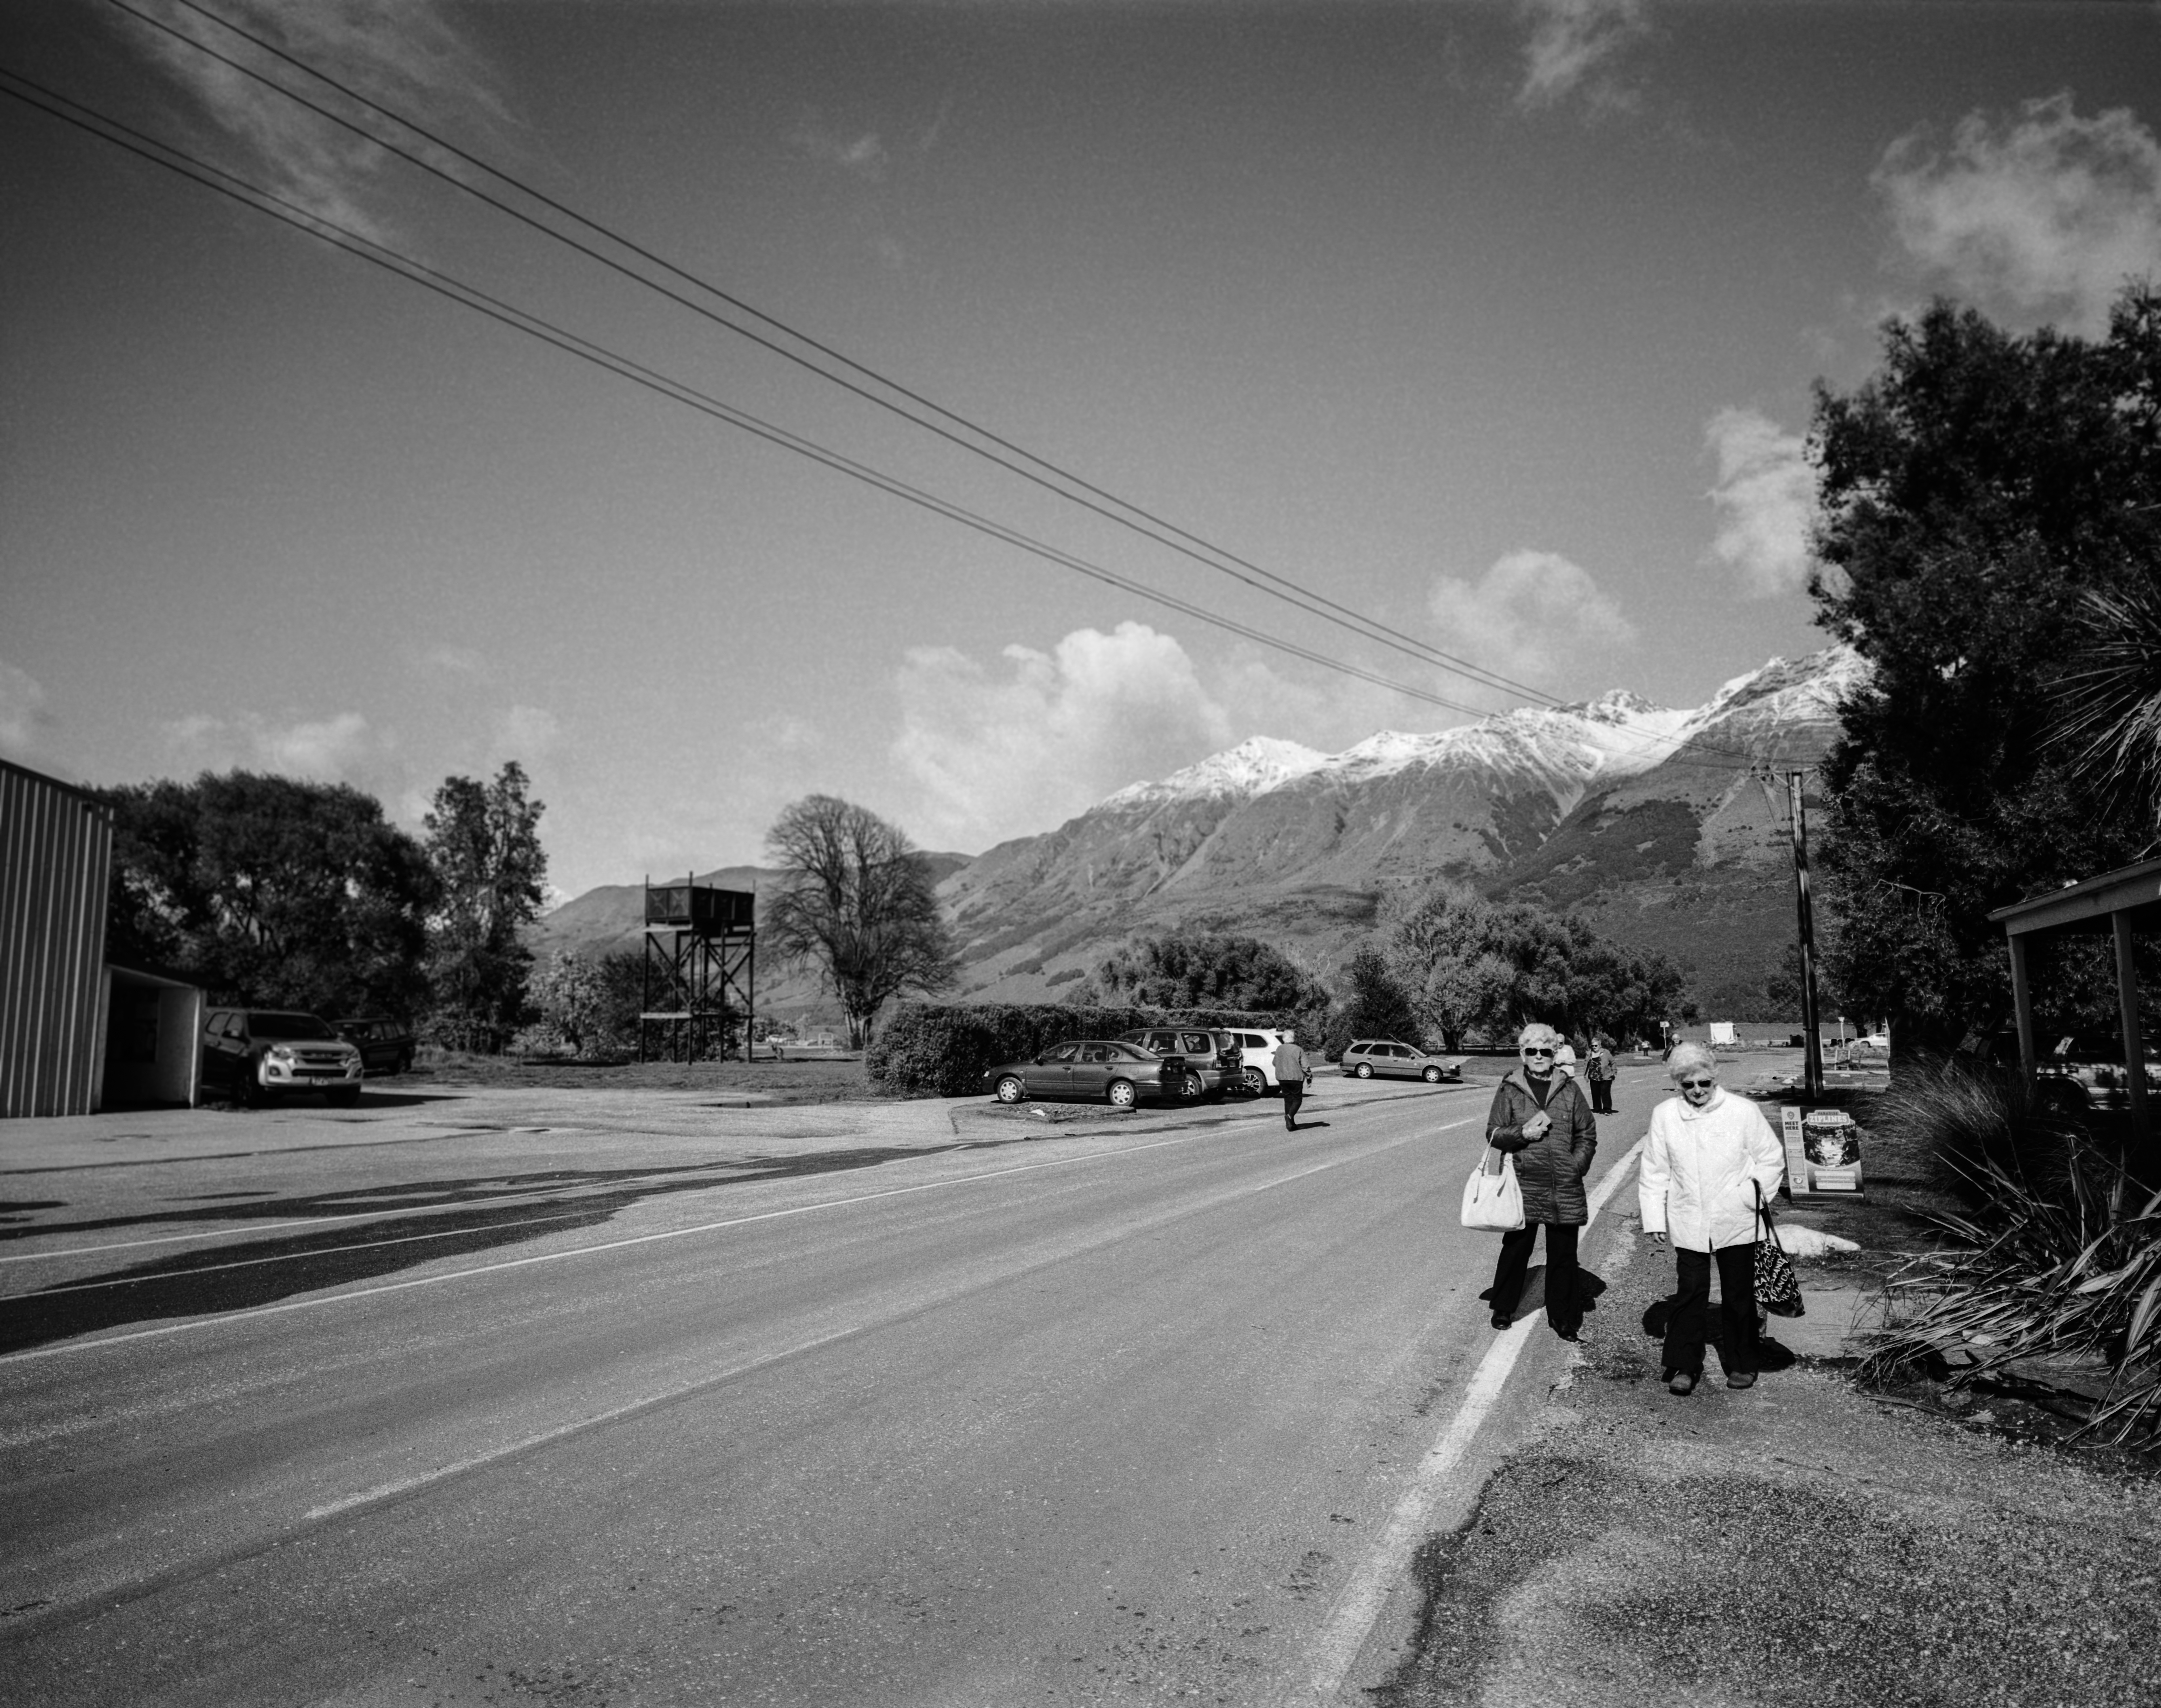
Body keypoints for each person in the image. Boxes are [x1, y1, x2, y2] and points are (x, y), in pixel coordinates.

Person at [1637, 1042, 1786, 1395]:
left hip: (1739, 1219)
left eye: (1704, 1083)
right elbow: (1655, 1169)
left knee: (1739, 1294)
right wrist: (1655, 1217)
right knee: (1690, 1293)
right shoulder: (1666, 1115)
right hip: (1690, 1218)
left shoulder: (1742, 1111)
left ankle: (1743, 1362)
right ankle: (1684, 1365)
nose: (1698, 1091)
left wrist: (1747, 1197)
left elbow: (1772, 1159)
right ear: (1678, 1084)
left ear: (1715, 1077)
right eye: (1688, 1085)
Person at [1483, 1023, 1598, 1340]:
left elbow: (1587, 1134)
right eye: (1531, 1051)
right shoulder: (1510, 1088)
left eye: (1544, 1051)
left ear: (1554, 1054)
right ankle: (1504, 1307)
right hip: (1523, 1182)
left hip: (1564, 1184)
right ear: (1522, 1054)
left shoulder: (1570, 1089)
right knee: (1517, 1249)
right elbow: (1493, 1133)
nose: (1538, 1056)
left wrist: (1575, 1167)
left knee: (1563, 1254)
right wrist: (1522, 1134)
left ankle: (1563, 1317)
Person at [1272, 1028, 1313, 1131]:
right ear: (1293, 1038)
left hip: (1282, 1078)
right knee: (1298, 1099)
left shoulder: (1279, 1049)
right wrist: (1309, 1078)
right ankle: (1289, 1116)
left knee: (1288, 1099)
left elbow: (1274, 1063)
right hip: (1296, 1078)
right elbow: (1305, 1066)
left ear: (1284, 1039)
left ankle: (1292, 1124)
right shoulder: (1298, 1049)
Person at [1585, 1035, 1615, 1114]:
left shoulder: (1606, 1053)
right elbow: (1587, 1064)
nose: (1594, 1047)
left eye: (1596, 1046)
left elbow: (1613, 1062)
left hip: (1606, 1076)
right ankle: (1597, 1108)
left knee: (1605, 1092)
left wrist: (1614, 1073)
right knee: (1595, 1093)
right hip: (1594, 1077)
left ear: (1600, 1045)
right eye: (1593, 1046)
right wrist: (1586, 1074)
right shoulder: (1589, 1054)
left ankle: (1607, 1109)